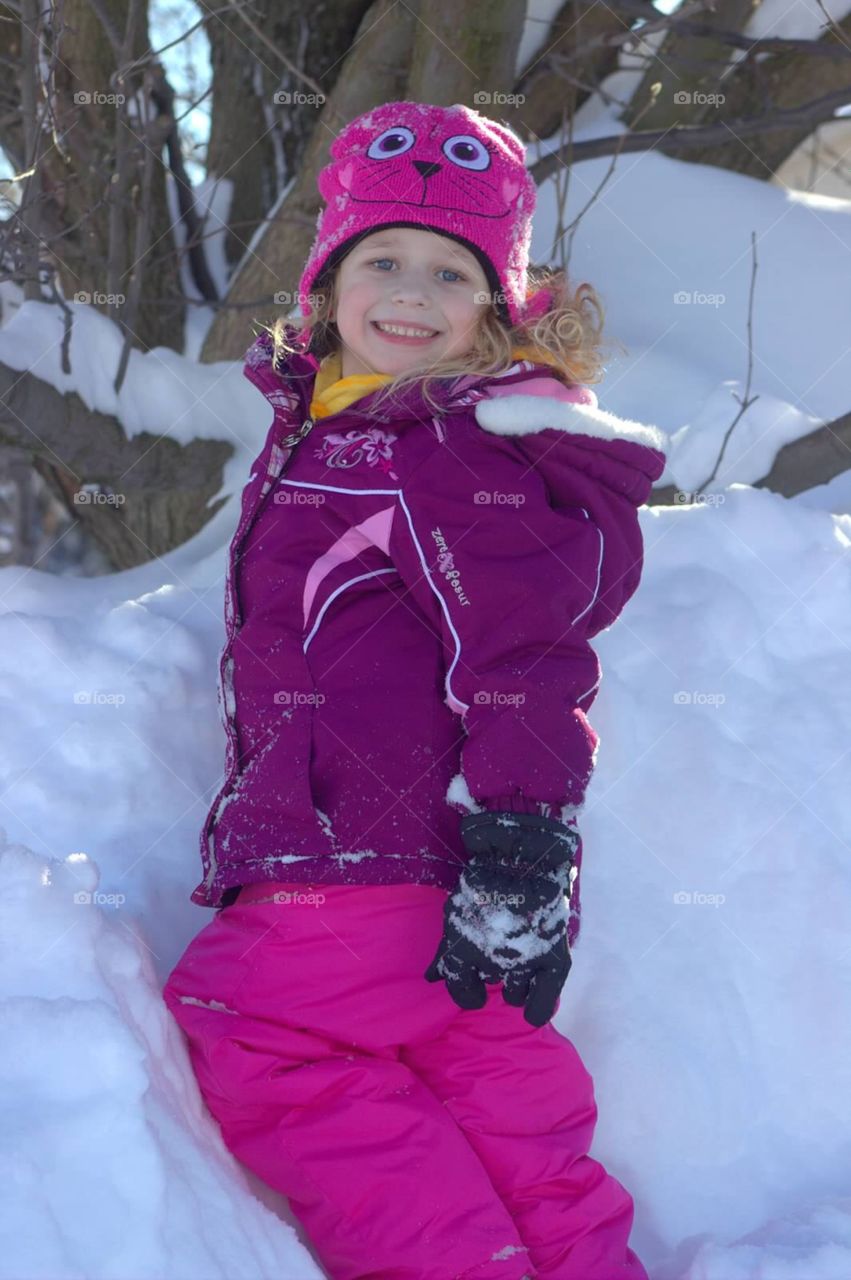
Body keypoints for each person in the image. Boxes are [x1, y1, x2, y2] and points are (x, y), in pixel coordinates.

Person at [163, 100, 668, 1280]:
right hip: (453, 872)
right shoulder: (351, 425)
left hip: (374, 856)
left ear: (495, 303)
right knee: (499, 1101)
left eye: (450, 271)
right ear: (325, 279)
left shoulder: (436, 443)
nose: (409, 290)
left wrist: (522, 841)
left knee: (255, 1028)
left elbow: (522, 657)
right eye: (380, 257)